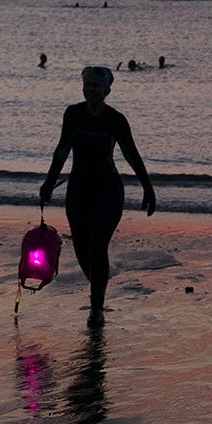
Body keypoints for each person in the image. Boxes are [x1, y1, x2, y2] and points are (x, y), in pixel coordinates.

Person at [38, 66, 156, 323]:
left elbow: (131, 154)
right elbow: (61, 151)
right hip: (78, 189)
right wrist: (48, 183)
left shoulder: (116, 120)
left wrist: (148, 188)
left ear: (107, 90)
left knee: (97, 246)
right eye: (87, 85)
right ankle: (99, 286)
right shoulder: (73, 114)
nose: (91, 90)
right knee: (81, 249)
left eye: (96, 86)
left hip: (109, 189)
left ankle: (96, 308)